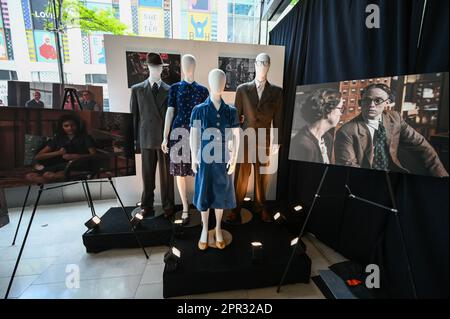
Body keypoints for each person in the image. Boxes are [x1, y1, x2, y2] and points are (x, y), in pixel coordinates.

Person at [334, 83, 448, 177]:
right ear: (361, 103)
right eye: (367, 100)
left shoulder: (395, 118)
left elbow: (421, 145)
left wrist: (442, 176)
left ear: (387, 103)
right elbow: (350, 169)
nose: (371, 105)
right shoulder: (347, 131)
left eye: (378, 100)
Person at [228, 53, 283, 223]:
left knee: (262, 176)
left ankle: (261, 206)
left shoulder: (277, 91)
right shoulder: (242, 89)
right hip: (245, 139)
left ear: (269, 65)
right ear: (256, 65)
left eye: (266, 62)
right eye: (260, 62)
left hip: (264, 139)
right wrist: (232, 139)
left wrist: (277, 140)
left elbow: (279, 117)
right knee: (241, 177)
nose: (263, 65)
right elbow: (235, 117)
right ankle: (235, 208)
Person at [190, 69, 240, 250]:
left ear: (225, 83)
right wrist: (193, 157)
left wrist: (234, 158)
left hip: (223, 160)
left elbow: (237, 136)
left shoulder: (231, 111)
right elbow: (193, 135)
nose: (218, 84)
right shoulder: (199, 110)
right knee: (204, 195)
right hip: (204, 159)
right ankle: (204, 228)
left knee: (221, 195)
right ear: (209, 83)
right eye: (215, 80)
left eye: (222, 80)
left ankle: (218, 228)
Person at [161, 54, 209, 224]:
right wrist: (165, 137)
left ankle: (198, 203)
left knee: (199, 171)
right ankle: (185, 207)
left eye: (190, 63)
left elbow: (207, 116)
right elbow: (170, 112)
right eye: (185, 64)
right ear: (181, 66)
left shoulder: (203, 90)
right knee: (179, 173)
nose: (188, 66)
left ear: (195, 66)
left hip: (198, 134)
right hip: (178, 132)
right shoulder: (174, 88)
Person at [130, 52, 175, 218]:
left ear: (162, 68)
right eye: (153, 66)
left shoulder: (170, 90)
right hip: (146, 138)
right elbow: (134, 117)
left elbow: (173, 116)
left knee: (166, 178)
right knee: (147, 176)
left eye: (159, 67)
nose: (157, 69)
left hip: (165, 140)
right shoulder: (137, 90)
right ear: (147, 67)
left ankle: (168, 205)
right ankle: (147, 205)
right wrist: (134, 142)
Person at [25, 114, 97, 184]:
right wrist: (58, 152)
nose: (70, 128)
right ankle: (59, 182)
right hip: (61, 165)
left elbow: (94, 155)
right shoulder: (59, 138)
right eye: (66, 126)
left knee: (49, 175)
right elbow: (38, 156)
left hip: (79, 164)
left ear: (77, 125)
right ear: (62, 127)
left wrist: (76, 156)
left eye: (73, 125)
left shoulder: (85, 137)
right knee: (30, 176)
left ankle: (83, 173)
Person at [290, 88, 343, 164]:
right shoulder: (302, 145)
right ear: (328, 110)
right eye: (340, 109)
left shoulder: (327, 138)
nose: (341, 114)